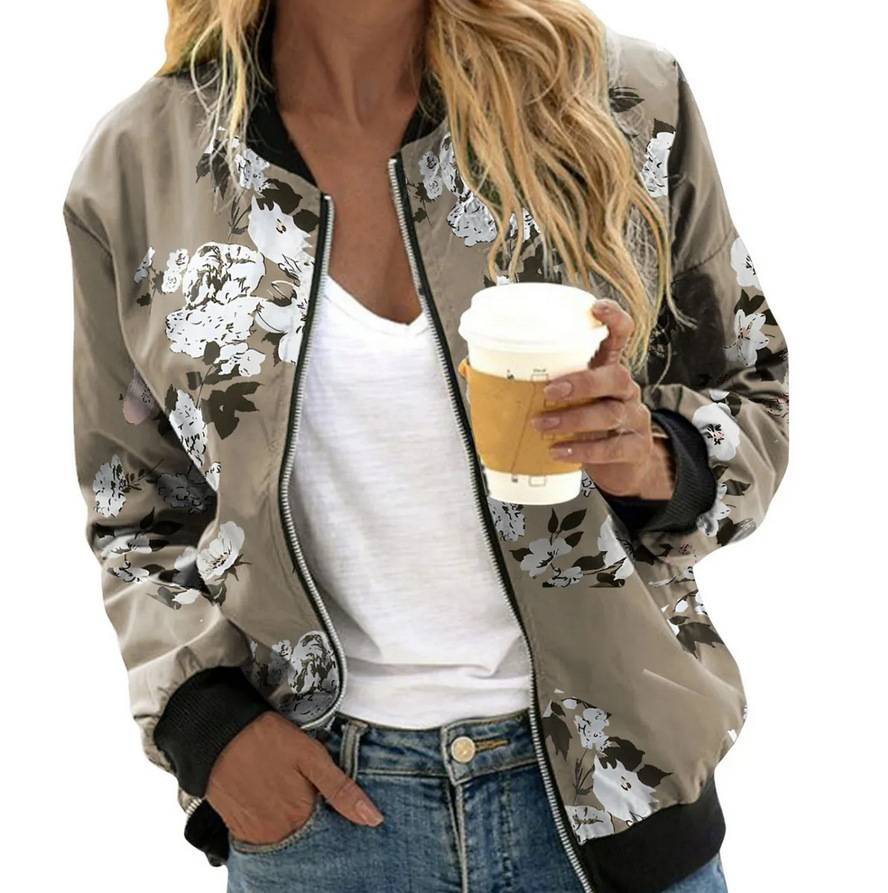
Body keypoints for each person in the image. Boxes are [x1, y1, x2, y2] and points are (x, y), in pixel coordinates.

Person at [62, 1, 789, 891]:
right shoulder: (142, 163)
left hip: (617, 801)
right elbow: (134, 502)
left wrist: (658, 461)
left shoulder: (618, 98)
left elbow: (752, 388)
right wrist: (207, 728)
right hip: (323, 825)